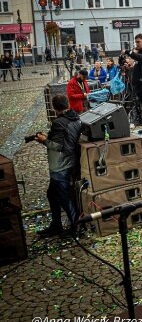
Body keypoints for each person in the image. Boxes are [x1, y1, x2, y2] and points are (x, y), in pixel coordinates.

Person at [35, 94, 82, 237]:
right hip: (69, 161)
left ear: (54, 107)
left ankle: (76, 227)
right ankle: (56, 225)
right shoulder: (75, 117)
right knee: (52, 194)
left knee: (63, 196)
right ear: (67, 104)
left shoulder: (58, 122)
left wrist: (44, 140)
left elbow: (58, 146)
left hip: (60, 165)